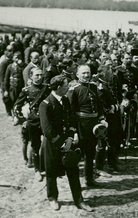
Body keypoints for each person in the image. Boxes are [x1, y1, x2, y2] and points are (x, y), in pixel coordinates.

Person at [39, 75, 93, 212]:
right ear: (58, 88)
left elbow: (71, 120)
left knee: (73, 171)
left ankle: (79, 200)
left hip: (67, 143)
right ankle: (52, 198)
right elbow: (47, 129)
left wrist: (70, 137)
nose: (68, 87)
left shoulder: (65, 100)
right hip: (52, 144)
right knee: (51, 173)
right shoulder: (45, 104)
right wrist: (61, 143)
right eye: (65, 85)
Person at [67, 65, 107, 187]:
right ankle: (76, 184)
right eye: (83, 73)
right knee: (78, 155)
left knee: (90, 154)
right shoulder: (74, 89)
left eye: (88, 73)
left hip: (93, 125)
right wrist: (73, 131)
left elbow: (99, 104)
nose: (86, 75)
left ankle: (89, 179)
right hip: (81, 126)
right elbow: (70, 111)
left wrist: (101, 118)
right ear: (77, 75)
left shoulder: (94, 87)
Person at [14, 67, 51, 180]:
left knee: (49, 144)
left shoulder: (48, 88)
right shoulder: (26, 90)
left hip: (47, 121)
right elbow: (17, 107)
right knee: (35, 146)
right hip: (34, 122)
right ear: (31, 77)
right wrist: (23, 120)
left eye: (41, 75)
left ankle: (47, 167)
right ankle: (37, 170)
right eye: (37, 75)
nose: (40, 78)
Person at [4, 52, 26, 124]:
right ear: (13, 58)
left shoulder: (23, 66)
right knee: (13, 101)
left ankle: (19, 116)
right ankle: (14, 116)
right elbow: (6, 79)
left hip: (21, 87)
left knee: (20, 102)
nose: (18, 59)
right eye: (16, 57)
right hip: (13, 88)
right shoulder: (10, 67)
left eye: (19, 57)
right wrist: (6, 90)